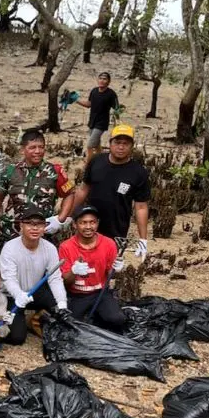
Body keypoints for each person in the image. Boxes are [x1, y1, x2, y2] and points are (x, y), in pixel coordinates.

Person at [73, 124, 150, 260]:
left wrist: (143, 239)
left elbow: (141, 207)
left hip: (116, 229)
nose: (121, 147)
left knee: (107, 268)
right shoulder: (96, 161)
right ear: (110, 143)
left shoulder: (139, 173)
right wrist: (68, 216)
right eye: (117, 142)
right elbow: (83, 190)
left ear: (132, 146)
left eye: (125, 143)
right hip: (89, 224)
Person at [0, 129, 74, 243]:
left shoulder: (54, 171)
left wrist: (60, 219)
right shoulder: (10, 171)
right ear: (23, 150)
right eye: (32, 147)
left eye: (41, 147)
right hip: (12, 233)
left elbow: (70, 194)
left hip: (43, 233)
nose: (37, 151)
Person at [0, 205, 68, 345]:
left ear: (44, 227)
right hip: (13, 295)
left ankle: (35, 319)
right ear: (21, 226)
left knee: (62, 314)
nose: (35, 228)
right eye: (30, 224)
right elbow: (9, 278)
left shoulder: (50, 248)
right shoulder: (10, 248)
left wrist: (62, 303)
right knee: (17, 338)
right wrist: (18, 294)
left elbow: (54, 278)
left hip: (36, 290)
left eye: (39, 224)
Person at [59, 205, 126, 329]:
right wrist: (74, 271)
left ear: (97, 223)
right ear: (75, 225)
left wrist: (117, 269)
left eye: (92, 222)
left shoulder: (108, 243)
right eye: (83, 223)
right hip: (77, 295)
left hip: (100, 293)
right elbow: (65, 280)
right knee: (69, 325)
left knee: (117, 320)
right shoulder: (66, 247)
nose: (88, 227)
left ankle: (99, 317)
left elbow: (111, 273)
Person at [74, 71, 120, 163]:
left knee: (90, 145)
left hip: (102, 123)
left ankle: (88, 165)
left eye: (104, 79)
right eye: (100, 78)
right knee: (97, 144)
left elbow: (117, 108)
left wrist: (116, 116)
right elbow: (89, 104)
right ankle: (103, 161)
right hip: (92, 121)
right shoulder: (94, 91)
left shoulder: (111, 94)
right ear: (97, 80)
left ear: (108, 81)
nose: (102, 81)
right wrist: (75, 100)